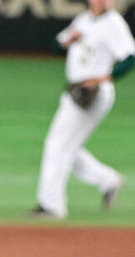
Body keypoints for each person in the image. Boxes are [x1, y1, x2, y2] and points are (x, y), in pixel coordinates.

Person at [32, 0, 134, 218]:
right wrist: (68, 41)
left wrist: (105, 78)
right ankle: (108, 180)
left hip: (93, 94)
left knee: (57, 145)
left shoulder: (113, 23)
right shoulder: (84, 20)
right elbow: (56, 45)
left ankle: (52, 205)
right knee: (67, 147)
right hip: (74, 90)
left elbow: (130, 57)